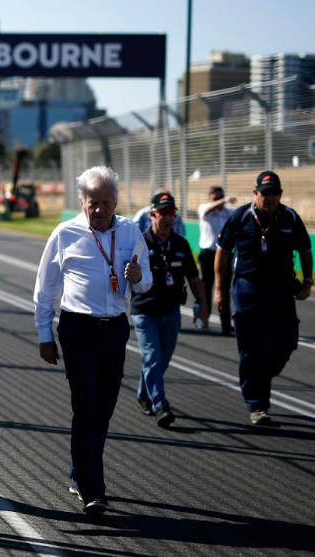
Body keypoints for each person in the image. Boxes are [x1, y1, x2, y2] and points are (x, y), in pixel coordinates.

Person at [33, 165, 151, 515]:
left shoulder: (131, 233)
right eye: (91, 202)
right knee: (86, 406)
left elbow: (146, 287)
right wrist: (44, 335)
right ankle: (92, 489)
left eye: (105, 202)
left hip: (114, 329)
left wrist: (140, 277)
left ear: (116, 201)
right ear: (81, 201)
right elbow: (45, 290)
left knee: (103, 410)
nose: (98, 209)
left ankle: (79, 471)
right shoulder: (65, 233)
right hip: (77, 329)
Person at [214, 170, 312, 426]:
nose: (269, 197)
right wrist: (220, 289)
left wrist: (308, 281)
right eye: (264, 193)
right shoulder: (241, 216)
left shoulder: (290, 216)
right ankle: (257, 405)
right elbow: (222, 252)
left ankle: (262, 377)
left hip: (281, 291)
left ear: (280, 195)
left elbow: (305, 249)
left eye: (274, 193)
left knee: (287, 341)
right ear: (255, 193)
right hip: (248, 289)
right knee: (252, 349)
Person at [131, 192, 209, 428]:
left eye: (171, 213)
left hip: (171, 311)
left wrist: (202, 306)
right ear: (152, 214)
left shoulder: (181, 244)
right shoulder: (140, 242)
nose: (167, 217)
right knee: (152, 357)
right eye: (162, 213)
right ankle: (160, 406)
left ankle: (144, 394)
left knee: (162, 360)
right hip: (145, 311)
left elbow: (194, 279)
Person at [197, 186, 237, 334]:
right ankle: (204, 320)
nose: (219, 201)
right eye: (216, 198)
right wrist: (223, 200)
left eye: (221, 197)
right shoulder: (204, 209)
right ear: (210, 198)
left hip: (224, 255)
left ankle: (226, 324)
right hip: (208, 254)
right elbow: (209, 209)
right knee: (206, 289)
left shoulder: (229, 213)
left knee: (224, 290)